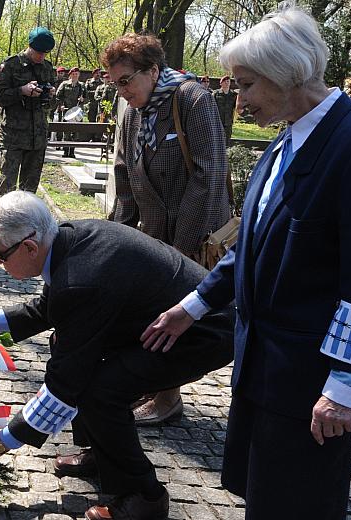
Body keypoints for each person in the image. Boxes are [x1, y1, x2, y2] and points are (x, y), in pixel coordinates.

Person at [142, 5, 351, 518]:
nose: (238, 101)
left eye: (246, 85)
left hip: (313, 379)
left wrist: (348, 385)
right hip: (265, 366)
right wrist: (193, 306)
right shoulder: (291, 136)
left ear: (286, 75)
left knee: (298, 502)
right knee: (266, 496)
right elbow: (254, 245)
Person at [0, 191, 234, 520]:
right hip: (158, 320)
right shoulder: (63, 241)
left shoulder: (80, 278)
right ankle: (101, 452)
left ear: (29, 247)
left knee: (102, 389)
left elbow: (63, 385)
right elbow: (50, 308)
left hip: (202, 331)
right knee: (71, 351)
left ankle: (145, 496)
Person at [104, 33, 231, 424]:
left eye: (126, 81)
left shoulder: (193, 99)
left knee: (177, 315)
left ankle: (167, 398)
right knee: (149, 311)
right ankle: (152, 385)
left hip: (195, 231)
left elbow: (209, 174)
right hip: (154, 232)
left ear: (154, 70)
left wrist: (181, 248)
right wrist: (118, 238)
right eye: (114, 84)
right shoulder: (134, 110)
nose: (121, 91)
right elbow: (124, 173)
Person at [0, 27, 56, 198]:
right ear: (29, 46)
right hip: (14, 137)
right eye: (38, 52)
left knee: (29, 192)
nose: (41, 57)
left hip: (38, 137)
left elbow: (49, 104)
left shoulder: (47, 67)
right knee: (7, 187)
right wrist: (22, 90)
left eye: (45, 53)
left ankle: (27, 224)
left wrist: (48, 94)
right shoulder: (11, 65)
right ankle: (1, 223)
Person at [55, 66, 85, 157]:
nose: (75, 76)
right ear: (70, 75)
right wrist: (61, 105)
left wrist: (83, 99)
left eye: (76, 74)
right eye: (73, 74)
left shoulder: (81, 86)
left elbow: (87, 99)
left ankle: (72, 152)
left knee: (75, 132)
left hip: (77, 112)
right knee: (66, 132)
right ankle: (65, 151)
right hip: (66, 111)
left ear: (79, 75)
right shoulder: (64, 84)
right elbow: (57, 96)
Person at [213, 75, 237, 145]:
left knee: (227, 142)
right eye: (225, 81)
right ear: (221, 83)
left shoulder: (234, 95)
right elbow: (211, 107)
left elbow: (237, 107)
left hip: (228, 122)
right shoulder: (215, 94)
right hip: (217, 122)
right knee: (216, 141)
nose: (227, 82)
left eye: (228, 81)